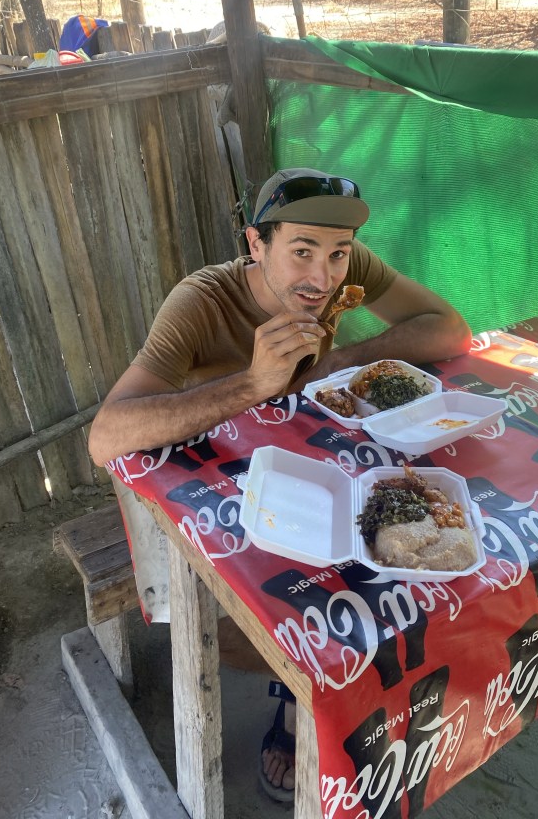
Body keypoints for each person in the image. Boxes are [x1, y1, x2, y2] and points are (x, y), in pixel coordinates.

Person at [88, 166, 472, 801]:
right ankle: (292, 698)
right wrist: (253, 384)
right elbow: (106, 437)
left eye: (337, 253)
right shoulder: (202, 300)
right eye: (301, 251)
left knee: (395, 552)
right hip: (209, 492)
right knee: (287, 609)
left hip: (304, 467)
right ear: (256, 243)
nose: (322, 277)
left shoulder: (345, 267)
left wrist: (339, 361)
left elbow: (449, 328)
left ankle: (336, 691)